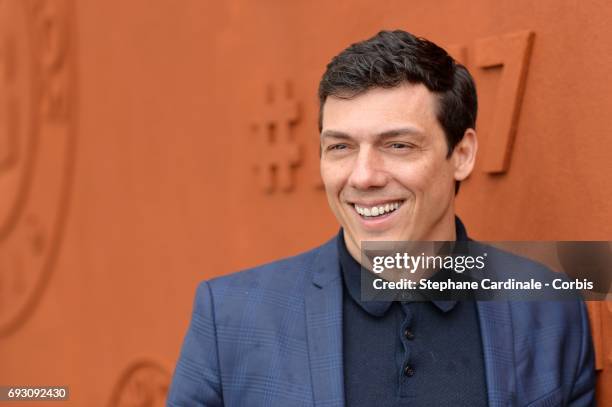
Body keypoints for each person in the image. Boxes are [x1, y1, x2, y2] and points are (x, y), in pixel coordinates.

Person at [167, 30, 595, 406]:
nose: (363, 176)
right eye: (340, 147)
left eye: (398, 146)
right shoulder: (230, 316)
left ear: (461, 155)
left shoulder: (550, 307)